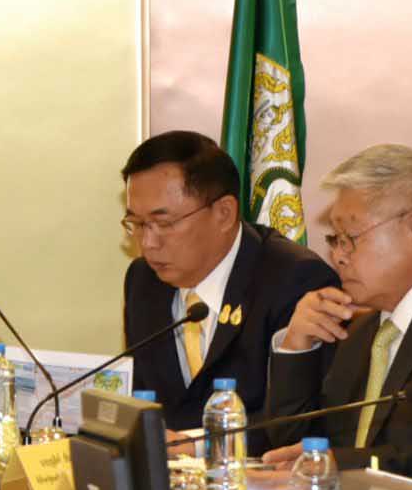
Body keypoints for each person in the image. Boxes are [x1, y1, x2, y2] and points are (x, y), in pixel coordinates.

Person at [120, 130, 337, 419]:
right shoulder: (142, 280)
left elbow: (297, 422)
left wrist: (193, 440)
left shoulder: (295, 280)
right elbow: (145, 400)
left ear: (224, 213)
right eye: (137, 224)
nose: (148, 243)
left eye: (165, 223)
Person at [261, 145, 412, 467]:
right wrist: (297, 346)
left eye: (349, 237)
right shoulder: (357, 333)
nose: (338, 256)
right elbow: (293, 446)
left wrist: (342, 465)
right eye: (335, 239)